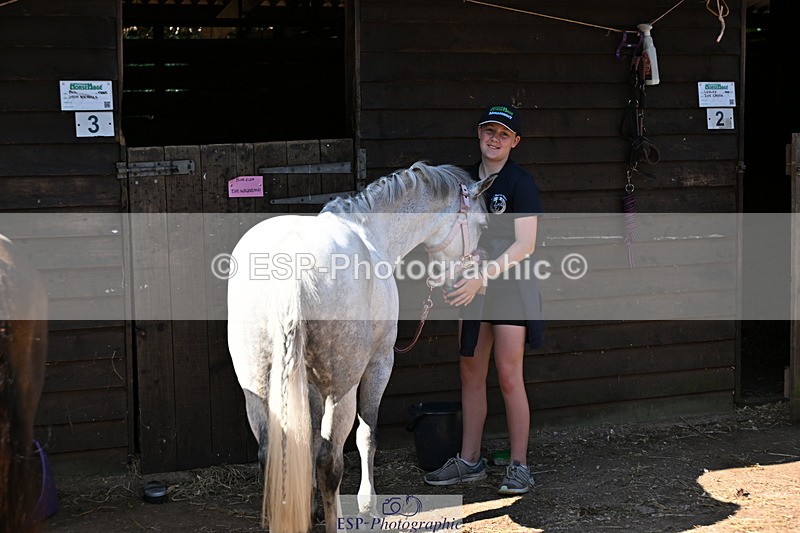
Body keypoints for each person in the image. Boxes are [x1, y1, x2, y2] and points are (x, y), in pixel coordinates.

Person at [424, 103, 544, 495]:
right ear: (479, 135)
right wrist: (451, 268)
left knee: (509, 376)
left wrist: (481, 277)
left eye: (503, 134)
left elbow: (525, 245)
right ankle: (470, 461)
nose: (495, 139)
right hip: (469, 285)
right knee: (470, 373)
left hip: (508, 285)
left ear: (516, 142)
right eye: (489, 131)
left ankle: (519, 465)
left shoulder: (519, 183)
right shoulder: (460, 182)